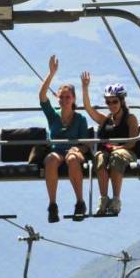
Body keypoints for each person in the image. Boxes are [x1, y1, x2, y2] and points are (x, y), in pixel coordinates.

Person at [80, 72, 140, 216]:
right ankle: (104, 199)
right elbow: (88, 109)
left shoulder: (130, 119)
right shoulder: (105, 120)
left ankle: (116, 199)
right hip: (109, 152)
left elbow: (132, 142)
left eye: (114, 101)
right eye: (108, 102)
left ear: (122, 101)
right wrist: (85, 87)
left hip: (127, 152)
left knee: (116, 156)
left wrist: (117, 148)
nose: (111, 105)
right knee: (99, 157)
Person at [39, 55, 89, 222]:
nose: (64, 100)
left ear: (73, 99)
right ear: (58, 98)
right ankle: (52, 205)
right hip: (57, 152)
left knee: (73, 159)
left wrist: (76, 148)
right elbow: (42, 96)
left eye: (68, 97)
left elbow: (85, 144)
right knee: (51, 160)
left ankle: (80, 202)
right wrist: (51, 73)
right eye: (61, 97)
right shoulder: (53, 115)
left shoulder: (80, 119)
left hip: (74, 152)